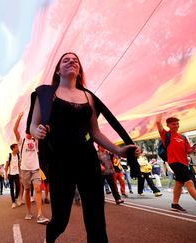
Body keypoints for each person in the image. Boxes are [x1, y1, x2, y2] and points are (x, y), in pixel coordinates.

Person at [30, 52, 140, 243]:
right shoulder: (46, 93)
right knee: (61, 219)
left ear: (79, 69)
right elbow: (33, 124)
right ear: (58, 69)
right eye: (66, 60)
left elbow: (95, 132)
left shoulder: (88, 96)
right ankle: (51, 235)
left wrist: (119, 150)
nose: (71, 62)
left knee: (96, 216)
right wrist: (37, 131)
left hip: (87, 159)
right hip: (60, 161)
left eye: (75, 61)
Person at [156, 115, 196, 218]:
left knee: (179, 183)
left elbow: (188, 151)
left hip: (184, 163)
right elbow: (158, 123)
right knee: (189, 183)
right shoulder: (166, 135)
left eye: (177, 124)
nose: (176, 125)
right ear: (168, 125)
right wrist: (159, 113)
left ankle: (175, 204)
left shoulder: (183, 137)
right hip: (175, 162)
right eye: (173, 124)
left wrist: (193, 148)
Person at [14, 112, 49, 224]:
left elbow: (42, 130)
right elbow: (15, 130)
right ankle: (29, 212)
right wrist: (19, 117)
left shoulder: (36, 141)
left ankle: (40, 214)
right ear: (25, 132)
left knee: (38, 189)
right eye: (27, 132)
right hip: (25, 170)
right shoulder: (21, 142)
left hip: (35, 169)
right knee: (27, 191)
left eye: (30, 131)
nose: (29, 133)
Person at [5, 143, 21, 208]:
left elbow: (19, 165)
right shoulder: (9, 155)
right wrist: (6, 174)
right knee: (11, 188)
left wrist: (20, 173)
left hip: (17, 173)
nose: (17, 148)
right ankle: (13, 202)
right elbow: (6, 165)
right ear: (13, 148)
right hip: (10, 174)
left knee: (18, 186)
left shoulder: (18, 155)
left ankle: (16, 197)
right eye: (16, 147)